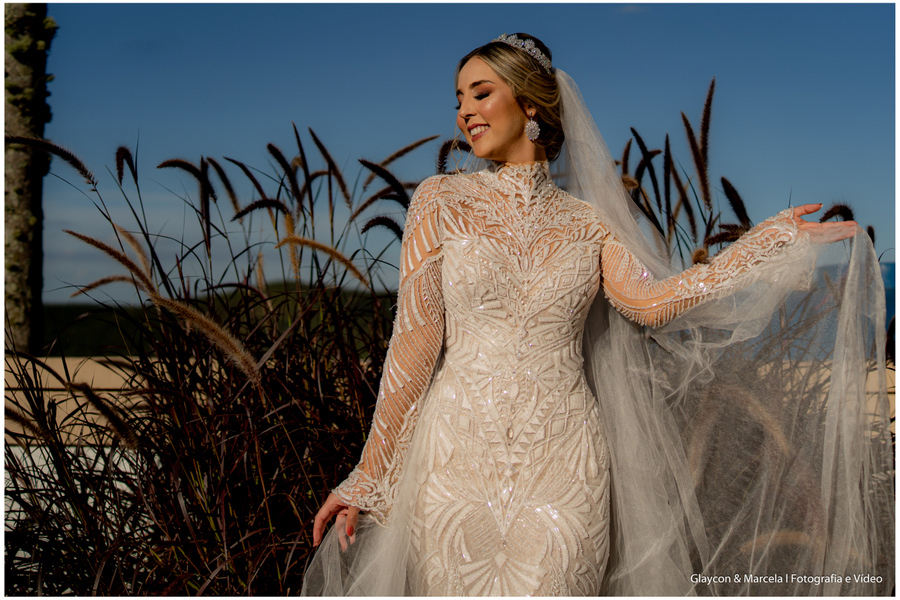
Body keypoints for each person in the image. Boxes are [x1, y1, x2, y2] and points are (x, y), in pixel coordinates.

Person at [303, 34, 893, 595]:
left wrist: (761, 247)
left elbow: (652, 302)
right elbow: (414, 342)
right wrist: (370, 474)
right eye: (459, 98)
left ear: (530, 103)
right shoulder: (440, 201)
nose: (464, 112)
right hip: (454, 461)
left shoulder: (588, 223)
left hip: (566, 462)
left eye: (480, 93)